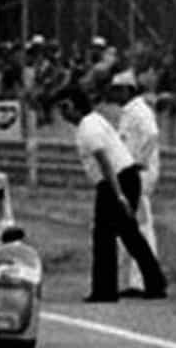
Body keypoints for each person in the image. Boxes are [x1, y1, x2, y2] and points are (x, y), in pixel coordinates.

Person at [59, 82, 165, 303]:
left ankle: (105, 290)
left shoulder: (89, 128)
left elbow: (105, 162)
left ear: (77, 107)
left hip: (115, 181)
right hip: (122, 178)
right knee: (129, 233)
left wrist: (118, 195)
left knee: (104, 235)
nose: (63, 113)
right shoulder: (93, 122)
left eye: (66, 107)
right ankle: (155, 282)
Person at [112, 68, 161, 296]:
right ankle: (134, 280)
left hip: (139, 176)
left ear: (128, 90)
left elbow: (152, 135)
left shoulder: (139, 111)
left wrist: (140, 161)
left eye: (118, 90)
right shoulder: (129, 112)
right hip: (130, 173)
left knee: (141, 226)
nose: (115, 94)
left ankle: (142, 280)